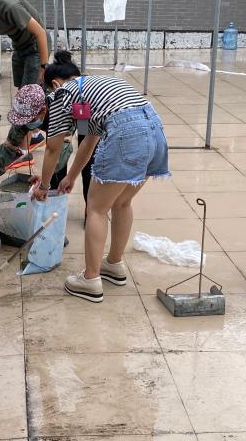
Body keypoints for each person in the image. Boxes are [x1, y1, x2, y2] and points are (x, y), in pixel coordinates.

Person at [33, 52, 169, 302]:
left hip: (127, 132)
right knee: (122, 202)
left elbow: (53, 147)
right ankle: (114, 265)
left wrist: (44, 185)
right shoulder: (91, 90)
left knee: (96, 209)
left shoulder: (62, 94)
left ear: (54, 83)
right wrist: (71, 176)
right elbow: (89, 140)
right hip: (155, 131)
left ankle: (91, 279)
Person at [0, 84, 73, 194]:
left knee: (76, 168)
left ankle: (55, 192)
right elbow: (9, 146)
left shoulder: (61, 114)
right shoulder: (25, 110)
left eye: (29, 120)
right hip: (47, 117)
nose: (25, 123)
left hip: (85, 121)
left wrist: (44, 181)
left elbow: (61, 149)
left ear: (43, 110)